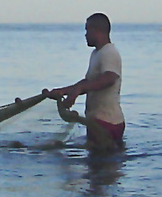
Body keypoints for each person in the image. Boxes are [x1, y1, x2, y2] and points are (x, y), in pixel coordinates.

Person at [49, 12, 124, 149]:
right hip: (97, 121)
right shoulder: (97, 53)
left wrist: (79, 90)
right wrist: (63, 91)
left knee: (103, 167)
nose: (85, 35)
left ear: (97, 30)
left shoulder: (109, 52)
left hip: (107, 122)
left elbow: (109, 78)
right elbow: (88, 82)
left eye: (87, 30)